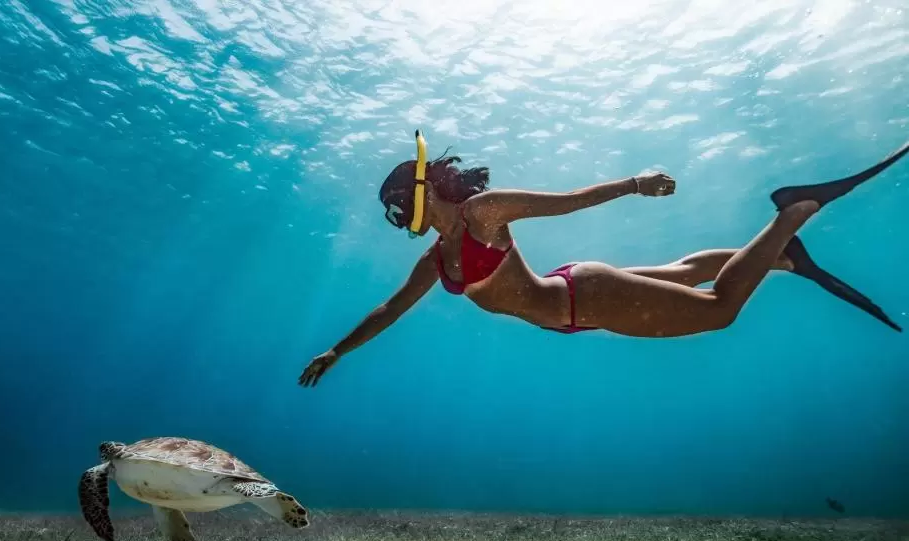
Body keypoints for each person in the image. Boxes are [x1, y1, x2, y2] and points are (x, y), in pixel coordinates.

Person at [298, 131, 906, 387]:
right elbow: (389, 309)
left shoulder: (483, 213)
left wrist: (635, 183)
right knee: (682, 272)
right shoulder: (437, 259)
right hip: (575, 292)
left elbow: (570, 201)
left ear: (420, 197)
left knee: (719, 310)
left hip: (583, 297)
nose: (397, 219)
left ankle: (790, 215)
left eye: (398, 207)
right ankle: (781, 258)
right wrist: (337, 350)